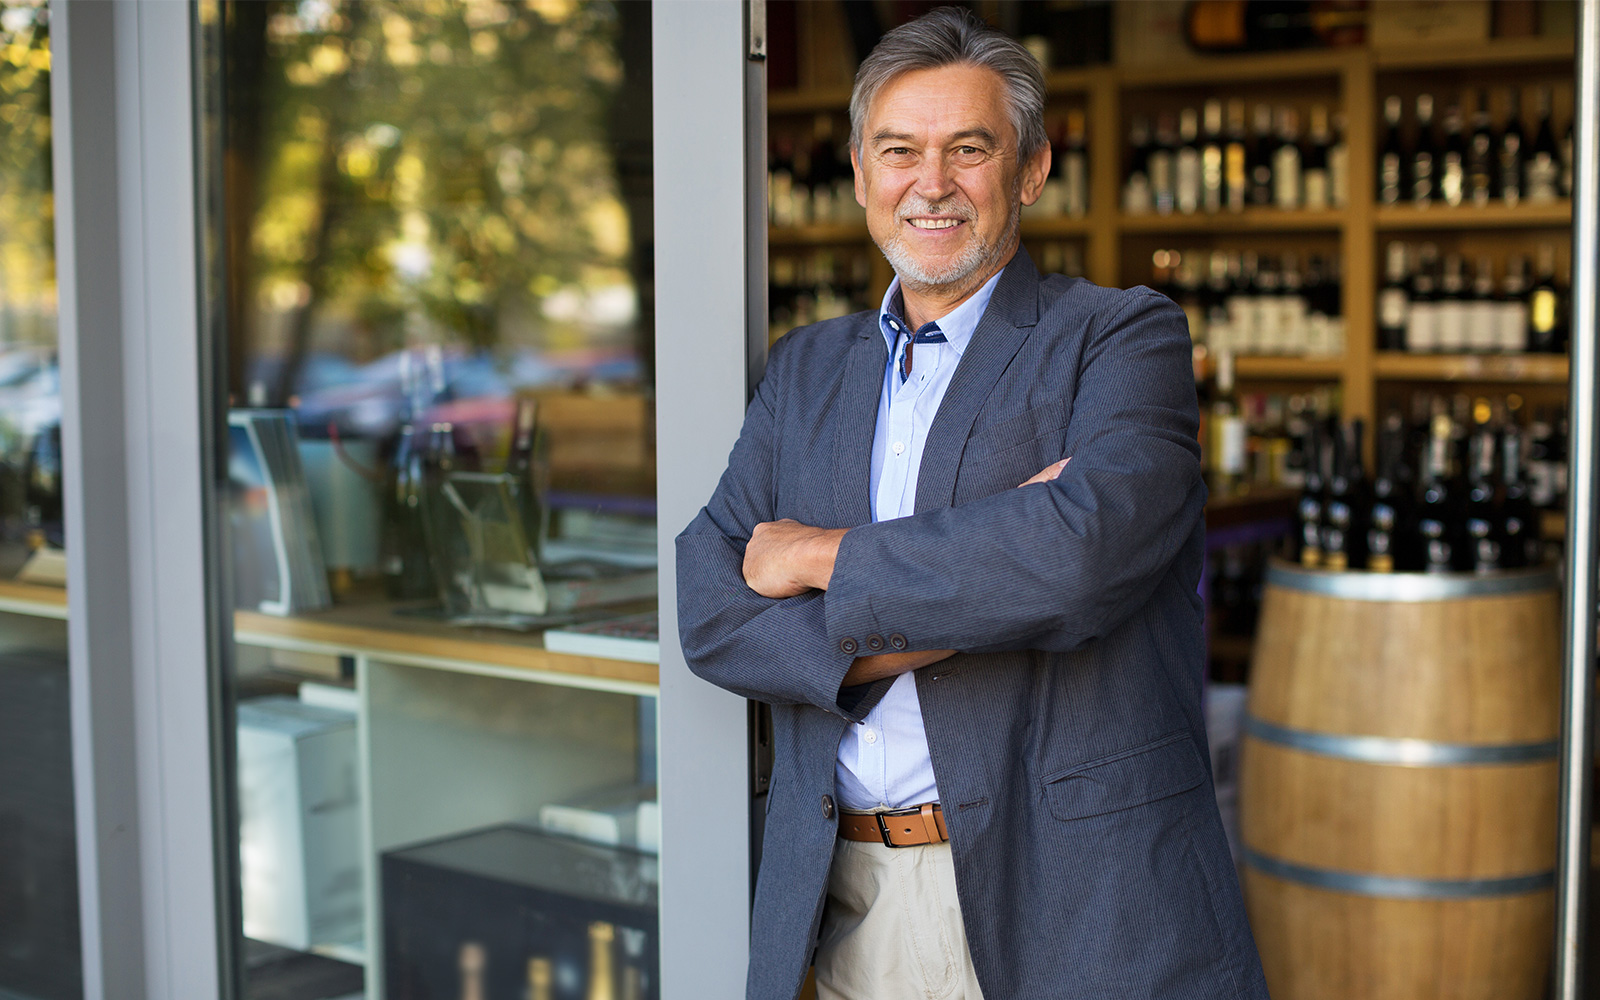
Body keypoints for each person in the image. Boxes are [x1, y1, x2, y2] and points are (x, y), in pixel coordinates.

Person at [676, 8, 1269, 999]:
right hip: (846, 900)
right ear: (862, 173)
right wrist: (992, 572)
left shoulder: (1121, 339)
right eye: (899, 150)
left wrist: (816, 557)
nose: (932, 184)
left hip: (1079, 901)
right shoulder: (805, 369)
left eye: (969, 149)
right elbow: (711, 611)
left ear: (1030, 169)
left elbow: (1076, 558)